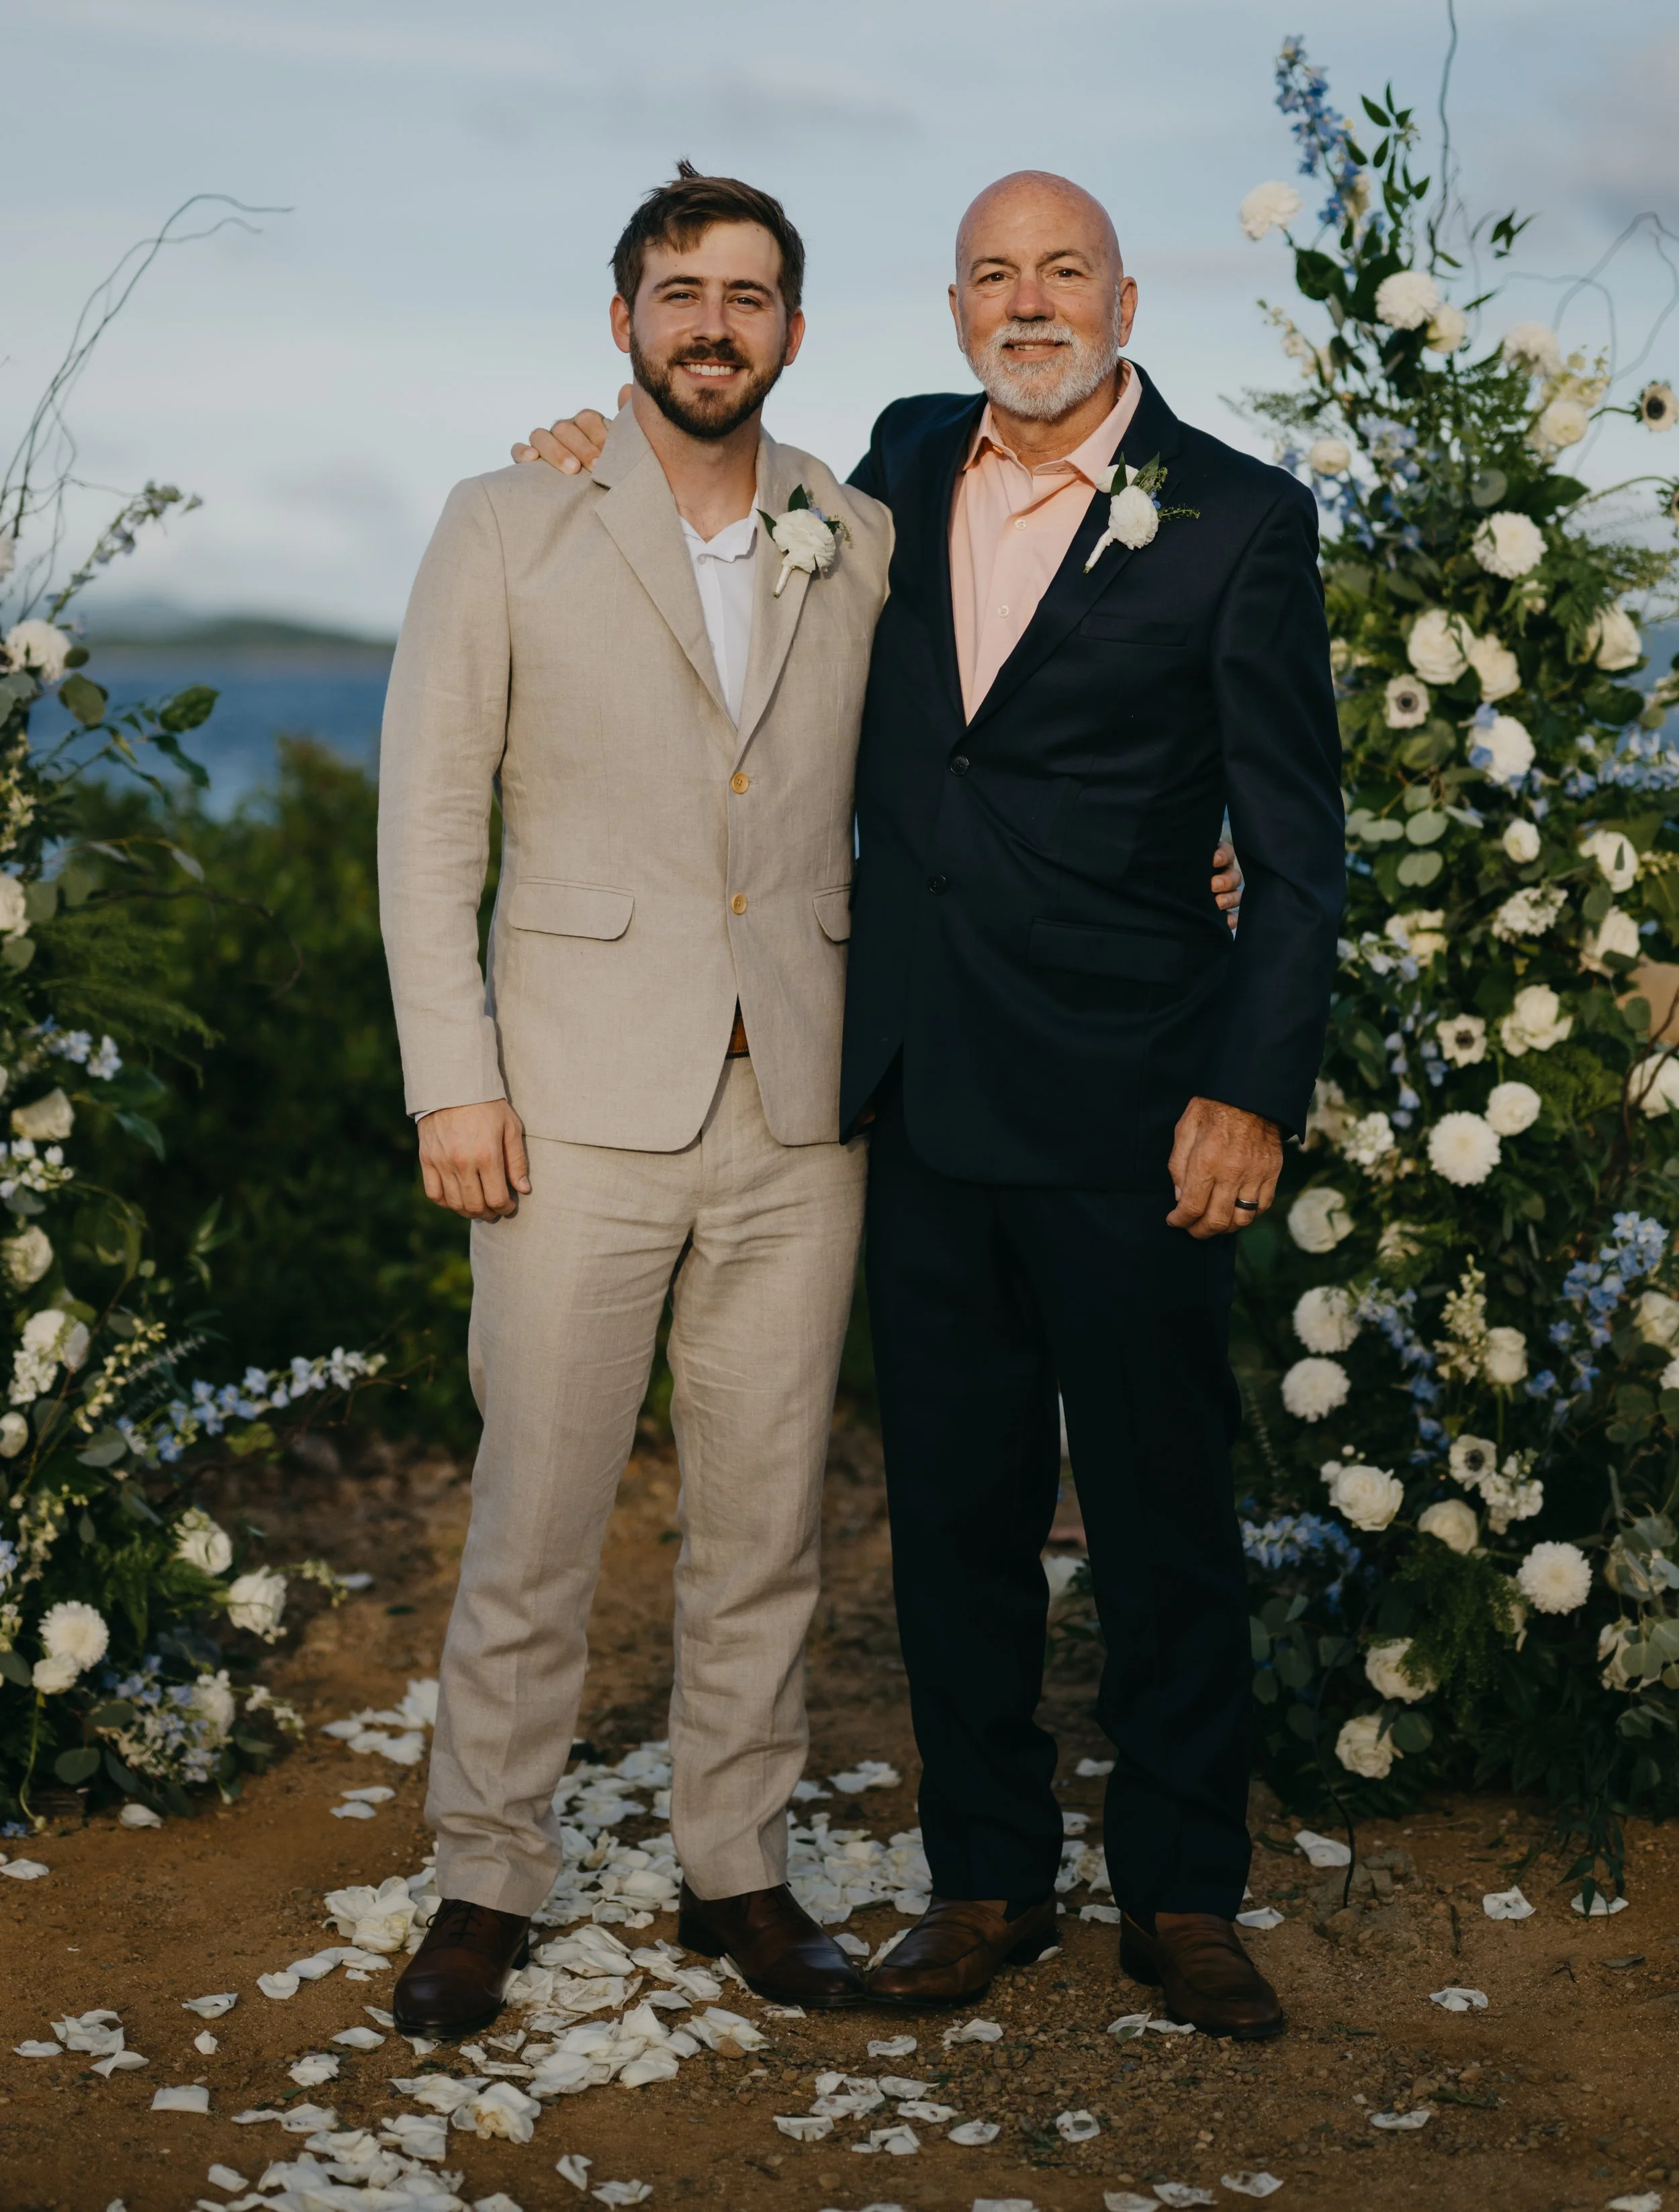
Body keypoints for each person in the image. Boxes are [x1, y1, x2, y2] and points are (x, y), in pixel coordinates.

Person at [519, 167, 1341, 2042]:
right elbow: (703, 477)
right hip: (915, 1088)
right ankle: (982, 1876)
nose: (1024, 299)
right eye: (990, 272)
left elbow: (1296, 854)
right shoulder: (880, 466)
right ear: (953, 307)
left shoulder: (1237, 518)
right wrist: (590, 448)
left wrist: (1249, 1090)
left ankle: (1184, 1887)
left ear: (1125, 300)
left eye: (1062, 269)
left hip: (1143, 1102)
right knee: (955, 1516)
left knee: (1152, 1511)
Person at [379, 165, 894, 2032]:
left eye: (746, 297)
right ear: (621, 321)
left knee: (765, 1520)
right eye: (677, 292)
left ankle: (737, 1866)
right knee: (536, 1509)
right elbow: (429, 820)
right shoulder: (505, 519)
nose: (708, 324)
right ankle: (483, 1875)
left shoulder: (862, 531)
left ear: (791, 334)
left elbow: (991, 743)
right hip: (571, 1102)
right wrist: (456, 1078)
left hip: (802, 1105)